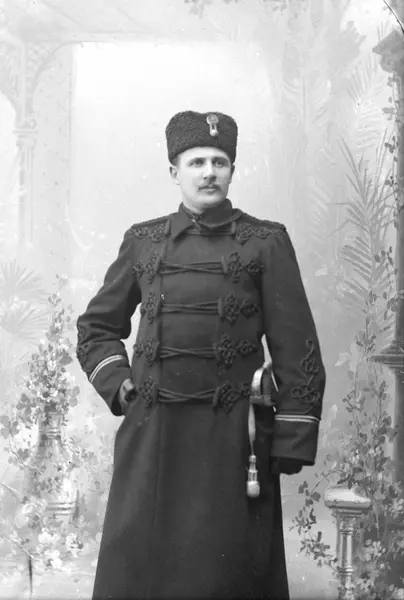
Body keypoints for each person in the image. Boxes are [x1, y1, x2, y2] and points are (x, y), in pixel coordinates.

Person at [76, 110, 326, 600]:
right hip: (154, 434)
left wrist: (291, 437)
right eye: (197, 162)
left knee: (225, 573)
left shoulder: (266, 242)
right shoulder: (143, 241)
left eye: (219, 162)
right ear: (175, 172)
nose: (209, 172)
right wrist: (120, 386)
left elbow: (298, 345)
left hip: (233, 440)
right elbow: (96, 328)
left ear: (232, 170)